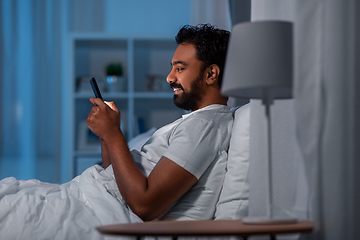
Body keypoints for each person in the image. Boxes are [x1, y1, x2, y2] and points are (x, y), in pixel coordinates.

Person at [86, 24, 232, 221]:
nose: (169, 77)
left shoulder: (205, 126)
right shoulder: (196, 122)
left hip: (92, 209)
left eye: (179, 68)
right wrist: (107, 134)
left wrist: (113, 134)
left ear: (210, 74)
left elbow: (144, 205)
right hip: (94, 201)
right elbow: (114, 179)